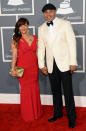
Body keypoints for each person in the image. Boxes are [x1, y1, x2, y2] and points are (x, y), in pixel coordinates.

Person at [38, 3, 77, 128]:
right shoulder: (41, 28)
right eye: (45, 12)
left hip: (65, 63)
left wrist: (73, 62)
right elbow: (41, 48)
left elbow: (72, 44)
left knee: (68, 92)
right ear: (43, 14)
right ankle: (58, 113)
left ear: (55, 12)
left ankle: (72, 118)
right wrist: (41, 65)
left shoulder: (65, 24)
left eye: (50, 11)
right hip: (50, 65)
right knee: (55, 91)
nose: (48, 14)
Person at [10, 18, 42, 122]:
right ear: (18, 28)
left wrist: (41, 65)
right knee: (26, 91)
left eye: (25, 25)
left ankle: (36, 113)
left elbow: (37, 54)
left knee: (34, 90)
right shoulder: (15, 39)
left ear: (28, 25)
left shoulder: (34, 37)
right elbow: (14, 56)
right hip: (22, 69)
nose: (23, 27)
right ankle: (28, 115)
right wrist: (13, 69)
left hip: (33, 68)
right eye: (21, 25)